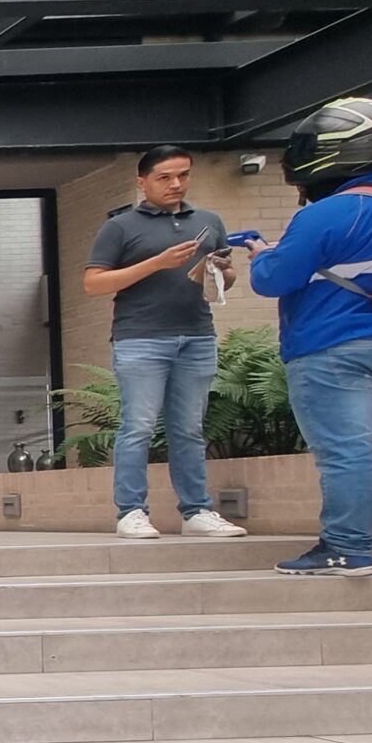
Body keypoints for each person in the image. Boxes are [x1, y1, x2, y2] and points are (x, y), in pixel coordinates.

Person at [241, 96, 372, 577]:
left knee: (345, 451)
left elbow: (273, 280)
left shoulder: (328, 212)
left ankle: (345, 549)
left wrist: (262, 255)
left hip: (334, 346)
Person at [83, 145, 247, 539]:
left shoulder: (209, 221)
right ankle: (131, 511)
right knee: (138, 426)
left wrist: (220, 270)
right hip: (140, 337)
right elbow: (93, 283)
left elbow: (226, 282)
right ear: (142, 182)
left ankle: (196, 511)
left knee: (189, 428)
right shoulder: (120, 226)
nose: (176, 184)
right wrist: (158, 262)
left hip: (197, 335)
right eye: (165, 177)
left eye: (183, 175)